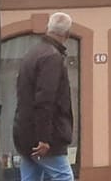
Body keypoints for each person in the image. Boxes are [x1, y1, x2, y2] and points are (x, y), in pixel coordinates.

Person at [14, 12, 76, 181]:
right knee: (64, 177)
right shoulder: (52, 57)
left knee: (30, 178)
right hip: (46, 138)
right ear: (67, 34)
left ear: (48, 28)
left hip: (25, 133)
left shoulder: (32, 53)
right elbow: (45, 100)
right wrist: (44, 138)